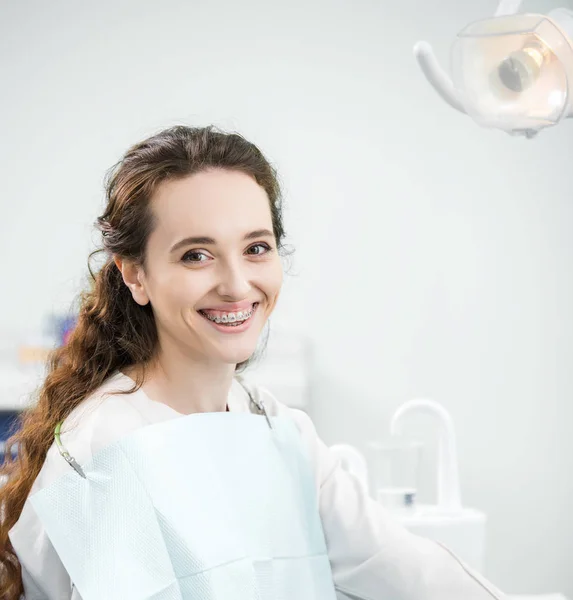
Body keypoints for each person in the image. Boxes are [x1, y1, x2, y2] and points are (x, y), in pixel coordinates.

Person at [0, 126, 506, 599]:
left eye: (256, 248)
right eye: (196, 254)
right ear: (135, 275)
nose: (237, 284)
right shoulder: (107, 452)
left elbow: (401, 566)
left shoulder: (274, 428)